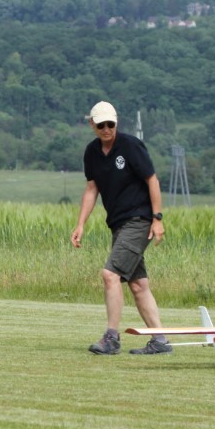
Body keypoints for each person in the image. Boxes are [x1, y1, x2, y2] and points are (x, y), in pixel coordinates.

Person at [70, 100, 172, 356]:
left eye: (111, 124)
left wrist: (157, 218)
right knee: (138, 284)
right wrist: (80, 224)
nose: (106, 129)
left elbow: (152, 179)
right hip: (118, 224)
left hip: (139, 220)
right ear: (92, 124)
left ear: (116, 123)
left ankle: (111, 338)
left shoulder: (130, 146)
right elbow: (91, 188)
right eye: (101, 125)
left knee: (110, 275)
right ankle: (160, 340)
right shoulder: (92, 152)